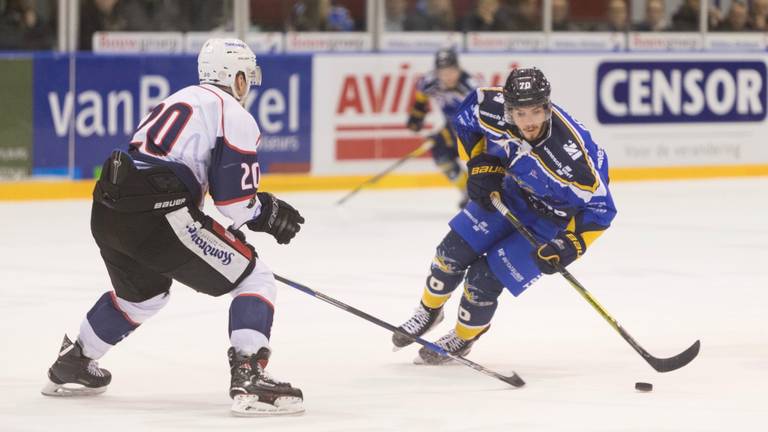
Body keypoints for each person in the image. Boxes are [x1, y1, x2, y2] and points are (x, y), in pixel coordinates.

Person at [41, 38, 306, 416]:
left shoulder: (178, 99)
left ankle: (76, 360)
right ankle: (248, 376)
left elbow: (167, 173)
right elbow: (234, 203)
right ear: (239, 77)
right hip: (160, 214)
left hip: (109, 208)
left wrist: (221, 229)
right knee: (255, 278)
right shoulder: (233, 112)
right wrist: (266, 211)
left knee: (142, 296)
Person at [392, 68, 616, 364]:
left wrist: (568, 246)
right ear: (509, 110)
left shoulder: (573, 160)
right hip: (511, 192)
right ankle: (428, 311)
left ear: (548, 108)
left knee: (482, 281)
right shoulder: (491, 106)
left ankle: (463, 336)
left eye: (536, 112)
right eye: (520, 114)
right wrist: (480, 163)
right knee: (450, 255)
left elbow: (602, 210)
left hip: (553, 218)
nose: (529, 122)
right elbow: (466, 116)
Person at [406, 48, 479, 207]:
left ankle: (481, 192)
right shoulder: (429, 82)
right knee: (441, 156)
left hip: (474, 131)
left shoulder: (470, 87)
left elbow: (481, 115)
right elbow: (421, 99)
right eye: (442, 72)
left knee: (479, 164)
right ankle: (467, 191)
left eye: (451, 71)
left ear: (458, 68)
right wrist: (417, 116)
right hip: (451, 128)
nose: (447, 77)